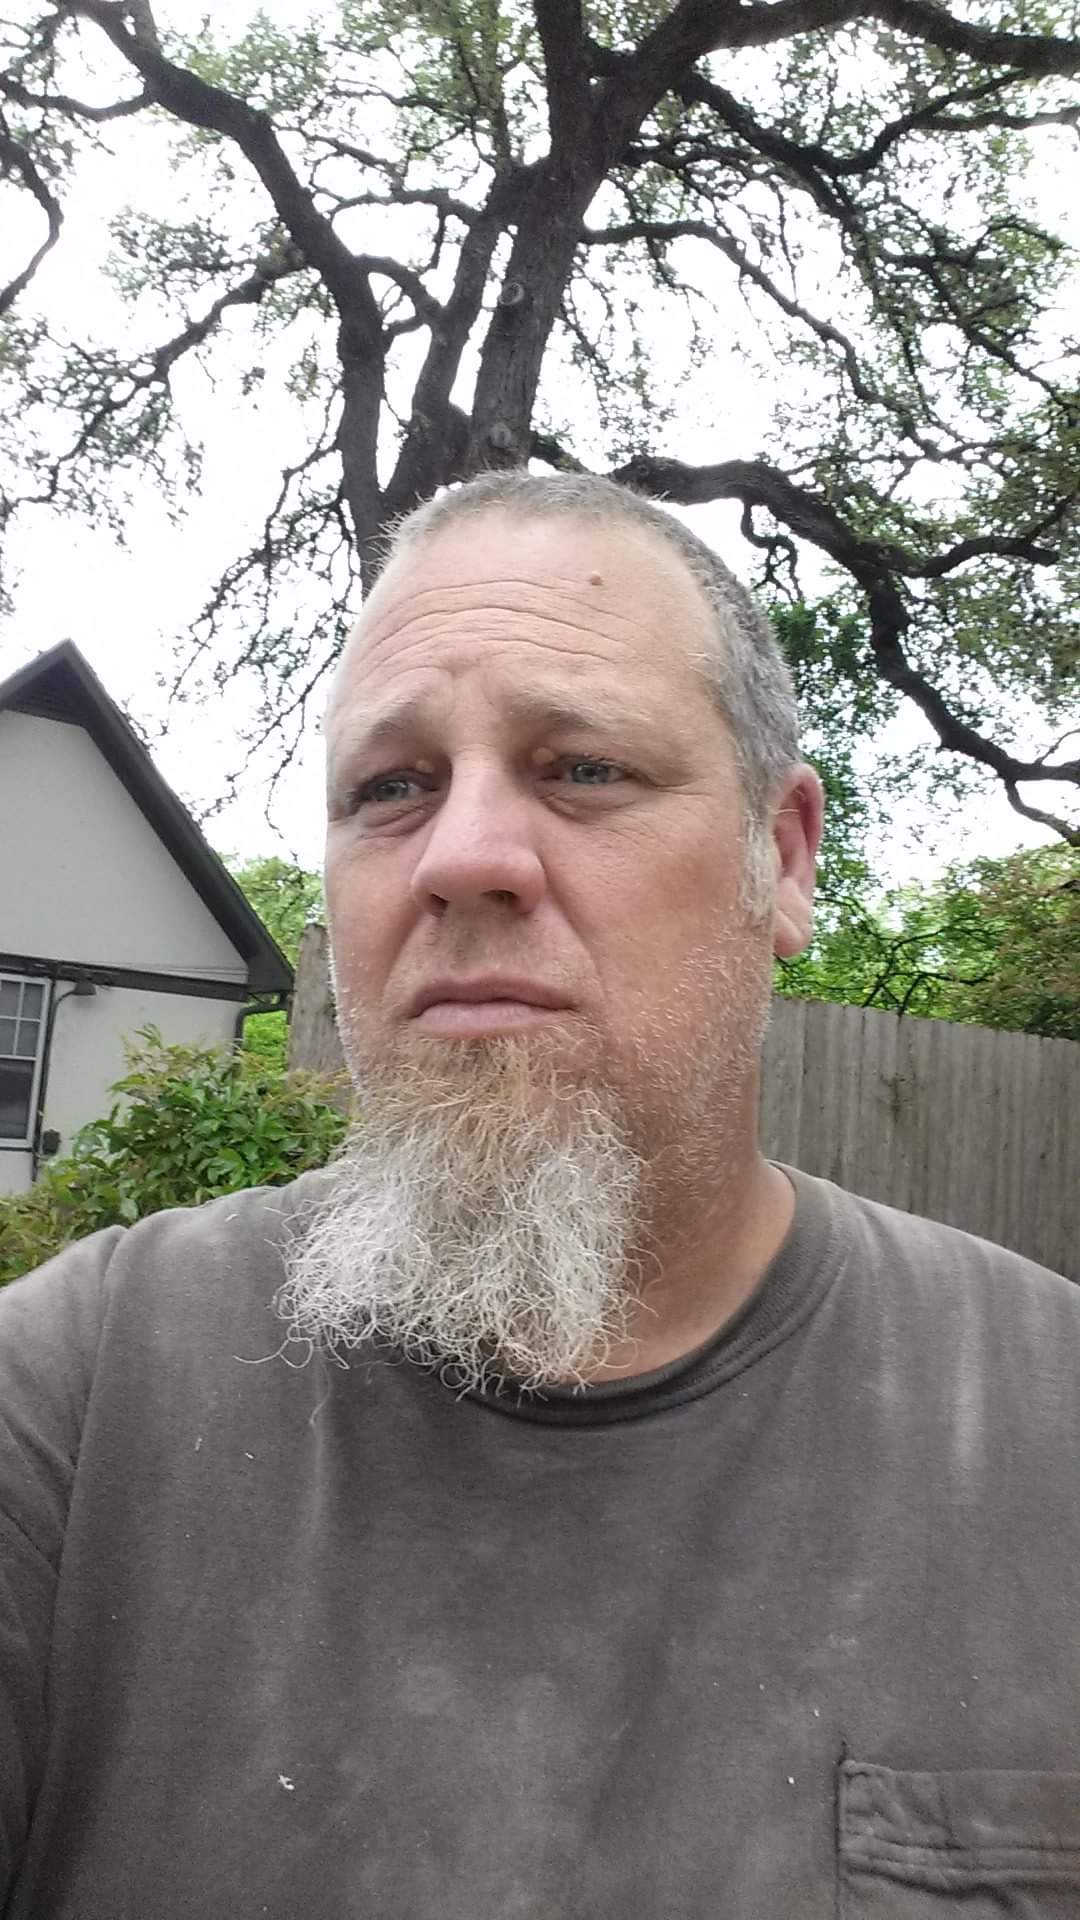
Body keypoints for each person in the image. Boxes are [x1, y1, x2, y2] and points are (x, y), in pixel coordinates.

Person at [1, 471, 1078, 1919]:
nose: (462, 858)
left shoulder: (1043, 1419)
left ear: (785, 854)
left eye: (582, 769)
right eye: (392, 789)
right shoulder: (70, 1404)